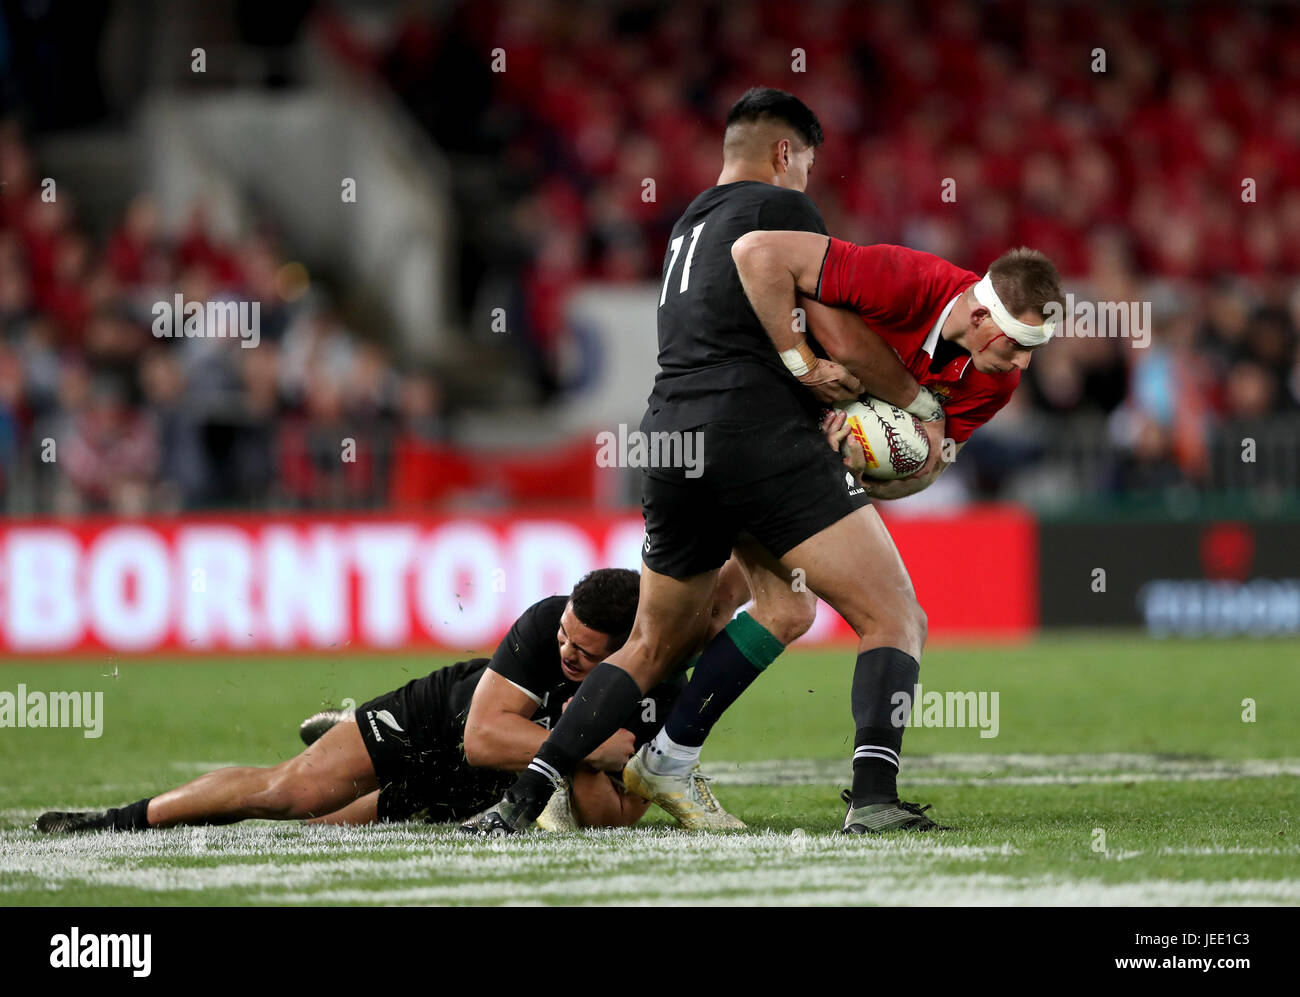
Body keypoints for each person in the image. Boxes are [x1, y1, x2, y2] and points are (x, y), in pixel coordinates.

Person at [461, 86, 962, 838]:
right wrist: (924, 409)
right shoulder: (781, 210)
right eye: (807, 167)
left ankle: (528, 798)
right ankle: (872, 797)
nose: (808, 185)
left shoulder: (687, 224)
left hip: (671, 439)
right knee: (894, 614)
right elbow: (844, 338)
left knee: (701, 628)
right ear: (784, 154)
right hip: (756, 436)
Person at [632, 236, 1065, 833]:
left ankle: (643, 756)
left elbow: (927, 468)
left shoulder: (995, 384)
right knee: (729, 621)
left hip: (803, 468)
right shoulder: (906, 278)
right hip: (759, 426)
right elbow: (770, 264)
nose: (1023, 366)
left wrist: (863, 470)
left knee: (769, 610)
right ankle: (614, 753)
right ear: (983, 313)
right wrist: (804, 365)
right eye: (1020, 346)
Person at [34, 569, 687, 835]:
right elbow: (482, 737)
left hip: (488, 781)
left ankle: (348, 733)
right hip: (446, 720)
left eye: (583, 652)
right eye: (564, 637)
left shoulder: (661, 684)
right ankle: (111, 820)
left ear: (626, 651)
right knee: (286, 794)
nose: (565, 650)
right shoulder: (544, 622)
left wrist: (580, 749)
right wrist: (584, 743)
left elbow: (614, 816)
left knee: (320, 828)